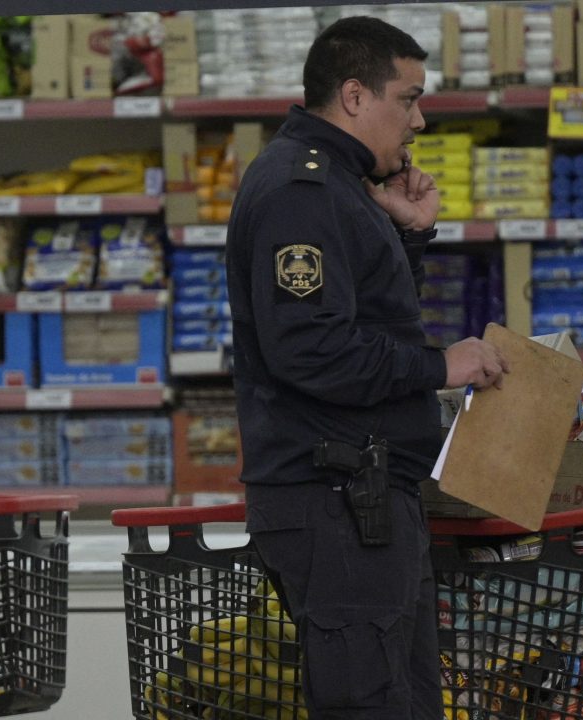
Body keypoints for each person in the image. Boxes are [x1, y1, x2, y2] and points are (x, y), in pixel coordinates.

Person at [226, 16, 509, 720]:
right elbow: (311, 350)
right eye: (407, 99)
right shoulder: (304, 191)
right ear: (354, 96)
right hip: (337, 503)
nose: (419, 120)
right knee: (370, 705)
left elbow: (359, 318)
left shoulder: (344, 187)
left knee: (403, 701)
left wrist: (408, 237)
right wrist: (440, 365)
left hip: (365, 499)